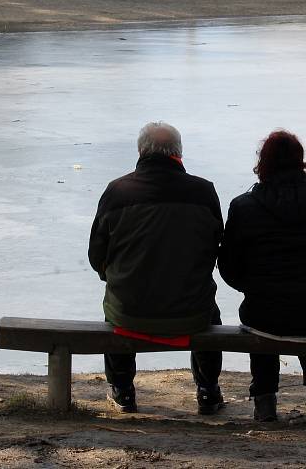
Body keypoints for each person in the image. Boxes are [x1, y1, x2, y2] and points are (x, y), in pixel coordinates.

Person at [88, 122, 225, 415]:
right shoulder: (203, 192)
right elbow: (216, 248)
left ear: (140, 151)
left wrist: (114, 275)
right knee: (210, 312)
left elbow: (96, 254)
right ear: (179, 153)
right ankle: (208, 389)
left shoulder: (117, 192)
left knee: (115, 305)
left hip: (130, 310)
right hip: (191, 310)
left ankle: (123, 390)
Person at [218, 130, 306, 422]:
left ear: (263, 164)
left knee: (269, 313)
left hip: (263, 311)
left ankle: (264, 402)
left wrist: (254, 285)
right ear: (301, 163)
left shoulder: (243, 207)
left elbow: (228, 265)